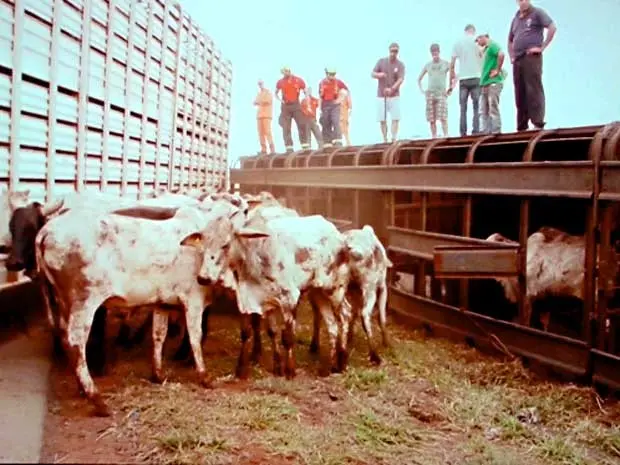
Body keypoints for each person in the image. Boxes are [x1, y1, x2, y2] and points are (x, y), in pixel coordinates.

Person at [508, 0, 557, 131]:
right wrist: (511, 55)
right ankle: (521, 126)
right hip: (518, 59)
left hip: (531, 57)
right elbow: (510, 39)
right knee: (520, 91)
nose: (522, 2)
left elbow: (552, 27)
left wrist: (542, 47)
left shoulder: (537, 13)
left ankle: (537, 122)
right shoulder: (516, 18)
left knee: (533, 89)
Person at [450, 24, 483, 136]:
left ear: (465, 31)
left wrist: (452, 79)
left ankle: (463, 132)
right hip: (476, 77)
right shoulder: (476, 42)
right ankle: (476, 130)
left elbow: (452, 63)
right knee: (476, 106)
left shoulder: (458, 43)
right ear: (473, 31)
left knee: (463, 108)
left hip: (463, 78)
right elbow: (482, 58)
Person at [371, 42, 405, 143]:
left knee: (395, 117)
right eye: (392, 51)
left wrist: (392, 89)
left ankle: (393, 137)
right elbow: (372, 73)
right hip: (381, 95)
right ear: (389, 50)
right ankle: (384, 138)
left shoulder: (400, 64)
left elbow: (400, 79)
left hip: (394, 95)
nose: (393, 53)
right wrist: (380, 74)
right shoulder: (381, 62)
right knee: (382, 118)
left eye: (396, 51)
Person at [418, 43, 453, 138]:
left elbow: (455, 75)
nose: (435, 54)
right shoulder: (428, 65)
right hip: (430, 93)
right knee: (431, 118)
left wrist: (451, 87)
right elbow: (419, 78)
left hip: (441, 93)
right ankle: (434, 135)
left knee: (443, 116)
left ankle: (446, 135)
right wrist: (422, 90)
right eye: (433, 52)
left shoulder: (445, 63)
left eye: (436, 52)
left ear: (439, 52)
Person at [275, 66, 309, 153]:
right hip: (286, 106)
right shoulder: (280, 82)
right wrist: (280, 100)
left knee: (301, 124)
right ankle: (289, 146)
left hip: (296, 105)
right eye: (284, 72)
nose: (286, 73)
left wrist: (306, 98)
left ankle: (304, 144)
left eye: (287, 71)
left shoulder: (298, 80)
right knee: (286, 127)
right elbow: (276, 92)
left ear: (290, 71)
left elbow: (305, 90)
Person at [477, 33, 506, 134]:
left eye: (478, 40)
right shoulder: (486, 49)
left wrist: (497, 70)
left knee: (492, 105)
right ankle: (485, 130)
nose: (478, 43)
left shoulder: (492, 45)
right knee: (484, 108)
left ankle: (496, 130)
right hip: (485, 82)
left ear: (483, 37)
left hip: (493, 81)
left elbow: (501, 54)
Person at [318, 67, 348, 147]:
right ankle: (327, 142)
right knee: (325, 122)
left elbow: (345, 91)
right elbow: (320, 96)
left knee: (335, 121)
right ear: (327, 74)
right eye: (330, 74)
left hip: (334, 104)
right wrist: (319, 108)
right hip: (325, 104)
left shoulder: (338, 82)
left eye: (333, 74)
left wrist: (339, 99)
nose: (332, 76)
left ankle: (338, 140)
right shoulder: (322, 83)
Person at [253, 79, 275, 154]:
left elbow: (268, 101)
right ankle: (263, 149)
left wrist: (259, 102)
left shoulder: (268, 92)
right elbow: (254, 102)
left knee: (267, 132)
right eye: (259, 84)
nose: (260, 85)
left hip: (266, 115)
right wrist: (259, 102)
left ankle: (272, 149)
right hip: (259, 115)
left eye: (261, 83)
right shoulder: (259, 94)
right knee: (260, 133)